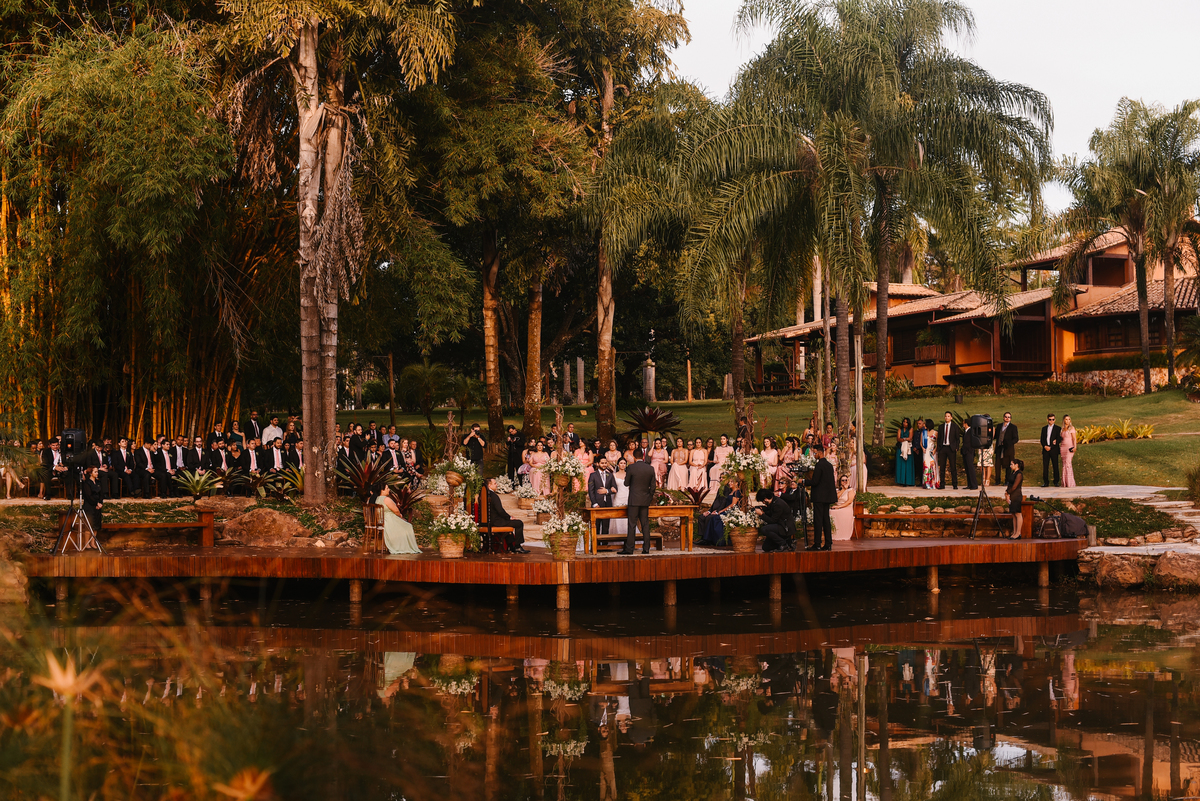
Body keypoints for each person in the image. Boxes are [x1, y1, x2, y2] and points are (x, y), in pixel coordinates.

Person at [620, 449, 657, 555]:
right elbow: (653, 486)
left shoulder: (631, 467)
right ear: (643, 456)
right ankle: (646, 548)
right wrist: (649, 497)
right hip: (645, 500)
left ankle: (629, 549)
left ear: (634, 457)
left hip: (634, 500)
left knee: (632, 524)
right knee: (645, 524)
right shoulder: (650, 468)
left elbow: (626, 483)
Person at [485, 477, 528, 553]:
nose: (497, 485)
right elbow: (500, 511)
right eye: (495, 483)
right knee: (519, 523)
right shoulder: (494, 496)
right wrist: (509, 517)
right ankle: (517, 546)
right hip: (496, 522)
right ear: (489, 485)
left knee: (509, 523)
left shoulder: (484, 495)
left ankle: (511, 545)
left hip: (488, 521)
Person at [375, 484, 421, 554]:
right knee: (408, 526)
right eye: (387, 488)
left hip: (382, 520)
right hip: (389, 519)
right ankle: (405, 546)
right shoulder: (386, 499)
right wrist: (400, 516)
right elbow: (396, 511)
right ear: (382, 490)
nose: (389, 490)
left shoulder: (377, 499)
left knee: (405, 525)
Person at [808, 443, 836, 551]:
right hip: (827, 497)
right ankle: (828, 543)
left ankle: (817, 543)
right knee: (826, 520)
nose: (814, 455)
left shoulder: (819, 465)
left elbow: (815, 481)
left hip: (819, 497)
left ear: (819, 453)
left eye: (814, 453)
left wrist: (804, 481)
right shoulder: (829, 465)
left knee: (818, 520)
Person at [756, 488, 795, 552]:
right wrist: (762, 509)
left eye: (762, 501)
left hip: (785, 527)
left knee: (764, 529)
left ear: (766, 499)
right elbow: (770, 510)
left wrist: (762, 514)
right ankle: (787, 542)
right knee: (766, 547)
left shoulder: (778, 504)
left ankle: (783, 543)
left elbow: (773, 520)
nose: (763, 503)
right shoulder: (774, 501)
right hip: (780, 526)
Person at [588, 457, 616, 541]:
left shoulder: (610, 475)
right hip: (597, 504)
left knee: (606, 526)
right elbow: (591, 491)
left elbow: (615, 489)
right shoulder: (593, 475)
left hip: (607, 504)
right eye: (602, 463)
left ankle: (605, 546)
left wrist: (607, 491)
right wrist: (594, 503)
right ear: (597, 464)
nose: (604, 465)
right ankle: (596, 546)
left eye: (605, 463)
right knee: (596, 526)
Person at [936, 412, 960, 490]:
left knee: (953, 467)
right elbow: (939, 438)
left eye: (948, 416)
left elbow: (957, 438)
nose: (947, 417)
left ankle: (955, 484)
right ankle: (942, 484)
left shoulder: (955, 427)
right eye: (945, 416)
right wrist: (939, 447)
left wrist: (956, 447)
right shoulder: (941, 427)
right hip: (943, 448)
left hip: (951, 448)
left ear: (951, 418)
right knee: (942, 467)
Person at [993, 412, 1018, 484]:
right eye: (1006, 416)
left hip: (1008, 449)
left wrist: (1008, 443)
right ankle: (997, 480)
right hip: (999, 448)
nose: (1007, 418)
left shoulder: (1013, 427)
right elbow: (996, 436)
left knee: (1008, 465)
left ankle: (1007, 480)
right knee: (997, 465)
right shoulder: (999, 426)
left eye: (1009, 417)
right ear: (1003, 417)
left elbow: (1016, 439)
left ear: (1010, 419)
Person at [830, 475, 856, 541]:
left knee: (837, 512)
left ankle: (843, 534)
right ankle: (833, 533)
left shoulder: (851, 490)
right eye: (843, 480)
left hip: (846, 508)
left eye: (846, 480)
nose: (844, 481)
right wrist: (843, 489)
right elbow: (835, 499)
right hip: (837, 507)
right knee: (831, 512)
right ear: (840, 482)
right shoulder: (837, 490)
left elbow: (849, 501)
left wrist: (838, 507)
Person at [609, 458, 630, 537]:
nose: (623, 465)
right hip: (617, 497)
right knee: (617, 518)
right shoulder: (614, 475)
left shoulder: (628, 475)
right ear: (618, 465)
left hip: (627, 497)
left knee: (627, 518)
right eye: (621, 463)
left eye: (624, 463)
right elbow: (611, 486)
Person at [1040, 413, 1062, 487]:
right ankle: (1046, 482)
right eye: (1050, 419)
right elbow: (1042, 439)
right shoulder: (1044, 429)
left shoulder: (1058, 428)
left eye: (1053, 419)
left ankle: (1056, 481)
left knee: (1055, 465)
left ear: (1055, 420)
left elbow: (1059, 438)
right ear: (1047, 420)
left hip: (1054, 450)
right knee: (1045, 466)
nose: (1051, 421)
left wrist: (1052, 446)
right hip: (1046, 449)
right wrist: (1045, 446)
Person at [1005, 458, 1025, 540]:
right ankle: (1014, 532)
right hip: (1011, 495)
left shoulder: (1019, 474)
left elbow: (1014, 486)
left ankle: (1018, 532)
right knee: (1013, 514)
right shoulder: (1013, 473)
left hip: (1016, 495)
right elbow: (1009, 484)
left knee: (1017, 513)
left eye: (1011, 464)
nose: (1010, 466)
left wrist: (1008, 492)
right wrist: (1006, 493)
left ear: (1016, 465)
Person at [81, 465, 104, 534]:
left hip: (97, 506)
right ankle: (87, 544)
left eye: (97, 472)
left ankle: (92, 543)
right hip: (90, 506)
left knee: (96, 526)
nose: (97, 473)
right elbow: (88, 495)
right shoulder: (87, 483)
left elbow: (101, 494)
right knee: (89, 525)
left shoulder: (98, 483)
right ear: (91, 473)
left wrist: (100, 503)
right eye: (95, 472)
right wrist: (96, 503)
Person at [895, 418, 915, 486]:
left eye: (906, 422)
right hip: (900, 448)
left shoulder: (911, 429)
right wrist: (905, 439)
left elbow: (910, 438)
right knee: (901, 464)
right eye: (904, 422)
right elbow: (898, 439)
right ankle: (901, 480)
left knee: (908, 464)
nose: (905, 423)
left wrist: (903, 439)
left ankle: (908, 481)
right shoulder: (900, 430)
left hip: (908, 448)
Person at [1060, 414, 1077, 488]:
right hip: (1063, 447)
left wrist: (1075, 447)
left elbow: (1074, 438)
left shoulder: (1072, 428)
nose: (1067, 421)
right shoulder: (1062, 429)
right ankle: (1064, 483)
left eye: (1069, 419)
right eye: (1066, 419)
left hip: (1069, 447)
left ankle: (1070, 483)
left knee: (1068, 463)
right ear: (1064, 420)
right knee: (1064, 464)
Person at [922, 419, 939, 490]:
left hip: (932, 452)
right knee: (926, 466)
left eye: (925, 424)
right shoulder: (923, 433)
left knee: (932, 466)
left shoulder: (935, 433)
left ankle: (933, 483)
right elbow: (921, 442)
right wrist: (923, 448)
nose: (923, 425)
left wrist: (935, 450)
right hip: (926, 452)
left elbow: (938, 443)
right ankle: (926, 483)